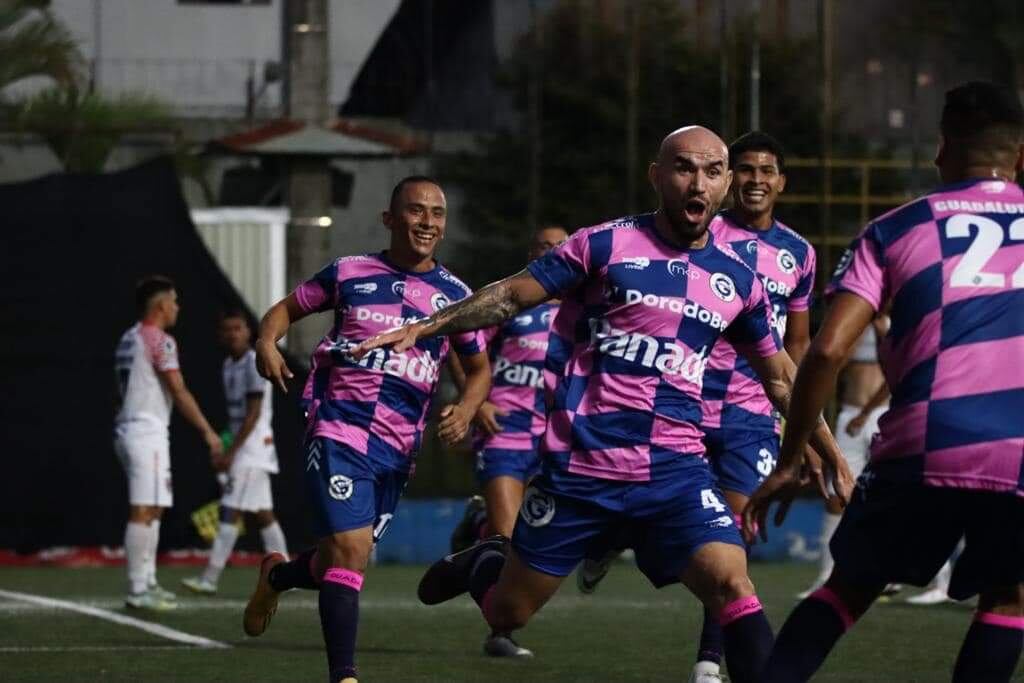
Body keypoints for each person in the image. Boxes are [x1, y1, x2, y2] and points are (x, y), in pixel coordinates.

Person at [353, 126, 849, 683]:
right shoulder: (604, 244)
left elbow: (782, 376)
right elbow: (513, 294)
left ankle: (713, 663)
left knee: (733, 583)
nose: (699, 182)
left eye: (713, 171)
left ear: (727, 184)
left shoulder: (739, 278)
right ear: (656, 176)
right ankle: (487, 558)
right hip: (581, 470)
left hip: (675, 471)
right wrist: (427, 325)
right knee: (506, 612)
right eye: (684, 168)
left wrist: (826, 450)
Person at [746, 81, 1024, 683]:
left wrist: (792, 456)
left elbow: (826, 351)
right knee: (1007, 598)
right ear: (1020, 157)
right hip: (1020, 452)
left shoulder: (896, 229)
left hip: (926, 441)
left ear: (943, 149)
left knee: (848, 590)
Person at [242, 176, 492, 683]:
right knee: (352, 552)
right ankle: (345, 676)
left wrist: (466, 408)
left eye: (437, 213)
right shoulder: (349, 272)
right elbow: (285, 311)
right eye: (416, 211)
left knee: (343, 559)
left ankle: (278, 575)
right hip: (340, 428)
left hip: (398, 448)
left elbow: (481, 369)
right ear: (389, 218)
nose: (427, 222)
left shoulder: (456, 296)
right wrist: (267, 340)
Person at [450, 226, 568, 547]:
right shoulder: (513, 302)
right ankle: (483, 525)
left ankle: (479, 522)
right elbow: (462, 349)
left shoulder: (584, 310)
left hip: (556, 437)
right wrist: (476, 403)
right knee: (507, 538)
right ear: (533, 256)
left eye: (562, 245)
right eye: (546, 246)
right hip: (504, 428)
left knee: (535, 539)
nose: (555, 251)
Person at [113, 275, 223, 610]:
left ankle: (148, 580)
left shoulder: (128, 338)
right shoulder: (160, 341)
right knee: (143, 509)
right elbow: (178, 389)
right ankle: (137, 587)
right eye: (173, 301)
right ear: (161, 305)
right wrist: (207, 431)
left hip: (134, 428)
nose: (177, 308)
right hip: (146, 431)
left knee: (155, 508)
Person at [182, 310, 289, 594]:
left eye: (238, 329)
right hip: (248, 448)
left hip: (252, 449)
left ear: (248, 332)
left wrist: (232, 453)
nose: (233, 334)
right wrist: (225, 447)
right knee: (264, 515)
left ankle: (209, 578)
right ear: (220, 334)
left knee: (230, 510)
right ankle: (288, 575)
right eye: (227, 329)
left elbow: (252, 415)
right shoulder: (229, 364)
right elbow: (236, 417)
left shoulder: (254, 363)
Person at [797, 316, 890, 599]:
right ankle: (826, 577)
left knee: (883, 497)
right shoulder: (849, 323)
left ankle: (883, 577)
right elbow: (827, 364)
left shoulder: (890, 324)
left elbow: (894, 373)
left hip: (878, 417)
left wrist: (865, 414)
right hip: (849, 416)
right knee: (836, 496)